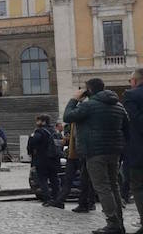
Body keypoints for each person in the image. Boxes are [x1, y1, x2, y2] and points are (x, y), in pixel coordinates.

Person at [64, 78, 130, 234]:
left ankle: (113, 224)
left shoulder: (88, 106)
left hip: (94, 152)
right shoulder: (119, 106)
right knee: (114, 186)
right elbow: (127, 129)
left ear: (89, 90)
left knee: (102, 187)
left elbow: (67, 116)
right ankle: (119, 223)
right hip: (114, 152)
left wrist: (74, 99)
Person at [123, 68, 143, 233]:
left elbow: (134, 123)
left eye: (131, 81)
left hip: (139, 150)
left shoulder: (131, 96)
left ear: (135, 81)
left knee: (138, 186)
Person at [27, 114, 62, 207]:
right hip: (54, 159)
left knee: (43, 180)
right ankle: (56, 199)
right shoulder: (55, 131)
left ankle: (47, 199)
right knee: (54, 179)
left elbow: (33, 142)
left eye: (38, 121)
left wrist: (31, 139)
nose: (36, 123)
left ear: (43, 122)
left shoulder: (39, 131)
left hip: (42, 159)